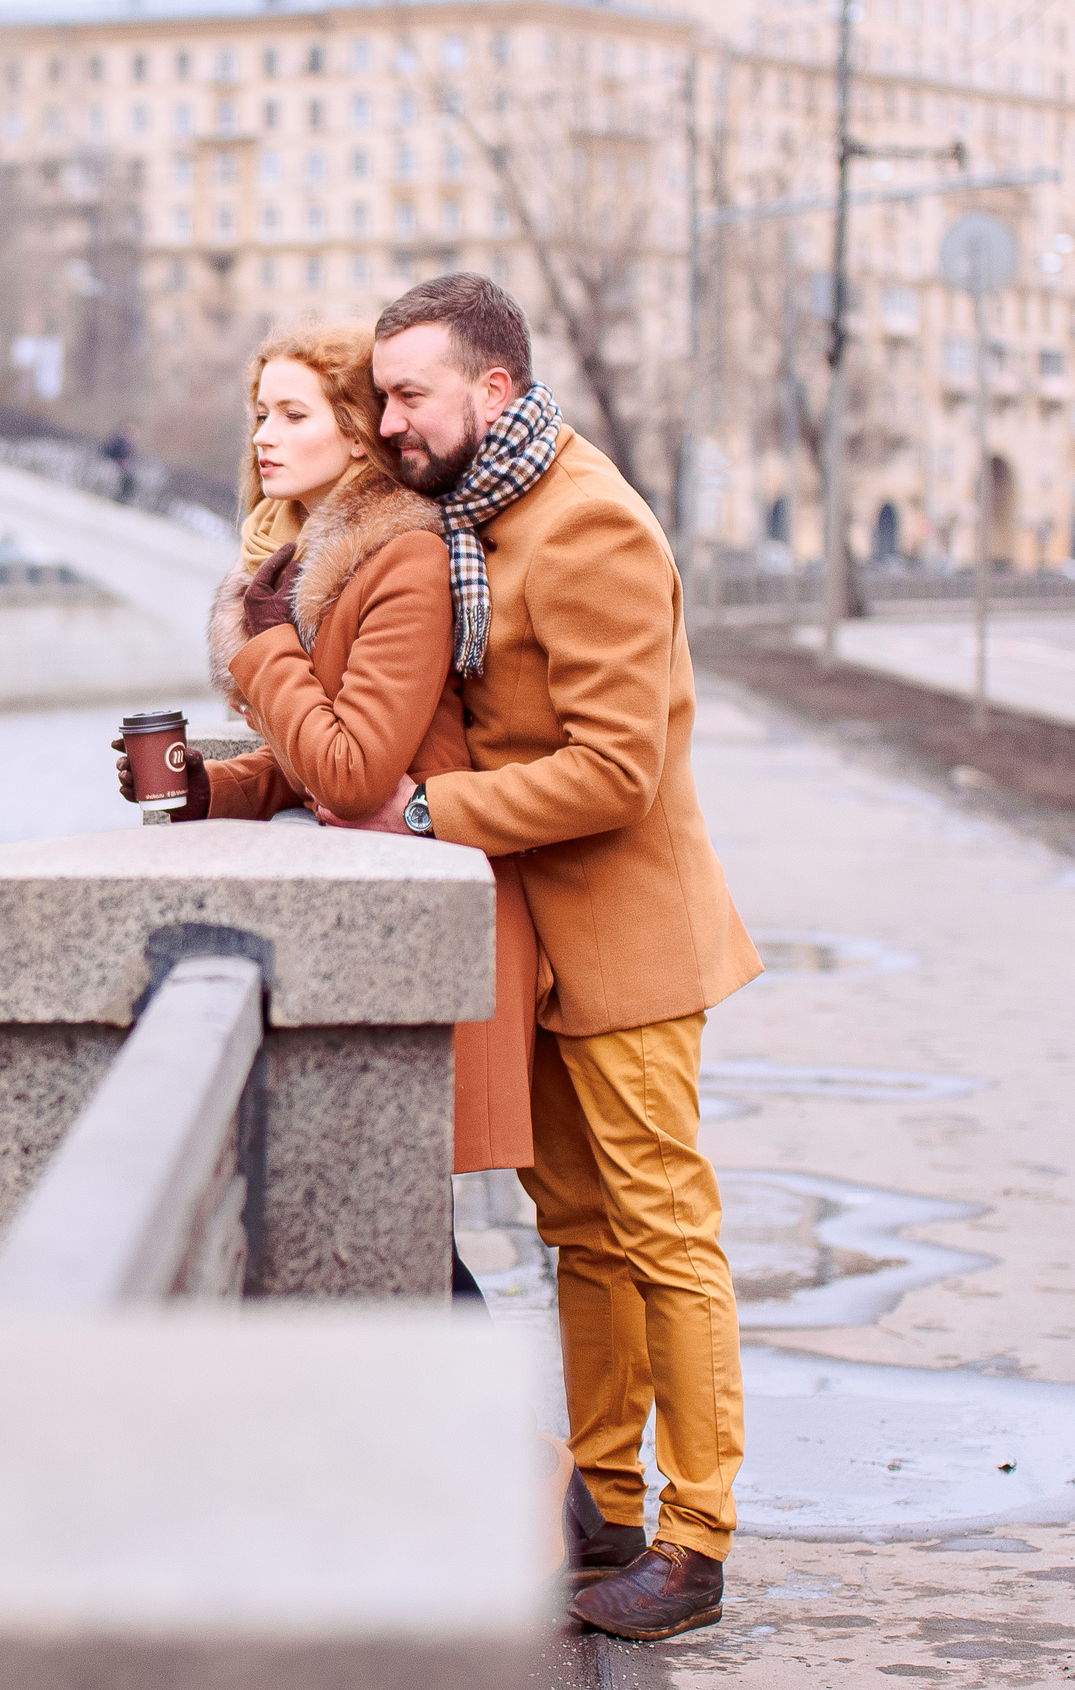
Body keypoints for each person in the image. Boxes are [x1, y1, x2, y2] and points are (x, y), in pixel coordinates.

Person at [323, 274, 762, 1642]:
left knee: (665, 1237)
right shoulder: (479, 519)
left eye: (411, 394)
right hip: (551, 952)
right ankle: (607, 1501)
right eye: (382, 395)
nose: (389, 420)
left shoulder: (587, 528)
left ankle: (694, 1543)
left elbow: (618, 773)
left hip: (627, 944)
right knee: (580, 1238)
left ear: (492, 391)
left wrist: (427, 812)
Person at [116, 322, 539, 1191]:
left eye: (291, 414)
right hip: (369, 919)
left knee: (406, 1246)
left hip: (420, 928)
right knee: (389, 1240)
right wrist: (205, 787)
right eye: (258, 414)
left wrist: (266, 646)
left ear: (354, 431)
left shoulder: (403, 561)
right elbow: (301, 756)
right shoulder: (295, 562)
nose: (264, 436)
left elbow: (353, 773)